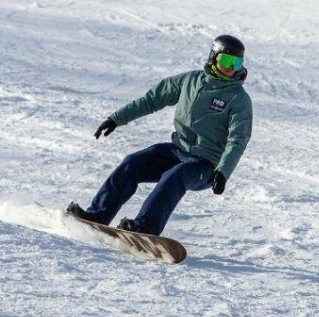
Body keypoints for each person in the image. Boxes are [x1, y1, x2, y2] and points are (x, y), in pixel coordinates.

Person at [68, 35, 253, 236]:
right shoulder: (190, 81)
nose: (231, 67)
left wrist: (223, 171)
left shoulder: (239, 99)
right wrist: (116, 119)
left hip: (207, 164)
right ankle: (97, 216)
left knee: (175, 176)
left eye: (237, 63)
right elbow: (152, 100)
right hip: (177, 150)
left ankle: (146, 226)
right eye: (227, 61)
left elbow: (238, 139)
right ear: (214, 57)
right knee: (132, 163)